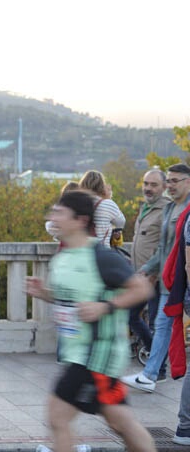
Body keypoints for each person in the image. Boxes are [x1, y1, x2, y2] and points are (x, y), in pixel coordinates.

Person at [24, 189, 184, 452]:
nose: (53, 218)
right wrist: (47, 294)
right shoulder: (65, 256)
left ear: (80, 220)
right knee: (122, 423)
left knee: (57, 415)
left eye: (59, 213)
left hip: (96, 355)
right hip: (81, 354)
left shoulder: (103, 257)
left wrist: (105, 306)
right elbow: (73, 300)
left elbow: (142, 288)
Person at [122, 163, 190, 394]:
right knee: (161, 325)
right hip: (170, 279)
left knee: (161, 325)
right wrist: (146, 270)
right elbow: (164, 248)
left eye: (174, 181)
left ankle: (152, 374)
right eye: (168, 181)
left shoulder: (186, 209)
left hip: (184, 280)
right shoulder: (170, 209)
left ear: (188, 182)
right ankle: (150, 375)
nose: (169, 185)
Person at [127, 169, 168, 352]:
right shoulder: (145, 207)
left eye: (153, 185)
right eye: (146, 184)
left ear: (164, 187)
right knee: (130, 316)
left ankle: (158, 368)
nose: (148, 188)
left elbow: (165, 246)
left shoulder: (166, 208)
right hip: (140, 276)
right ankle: (152, 351)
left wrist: (152, 271)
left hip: (156, 278)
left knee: (155, 322)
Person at [79, 170, 126, 245]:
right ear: (101, 185)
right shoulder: (107, 204)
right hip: (101, 252)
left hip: (82, 251)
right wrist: (108, 198)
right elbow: (121, 222)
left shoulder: (77, 202)